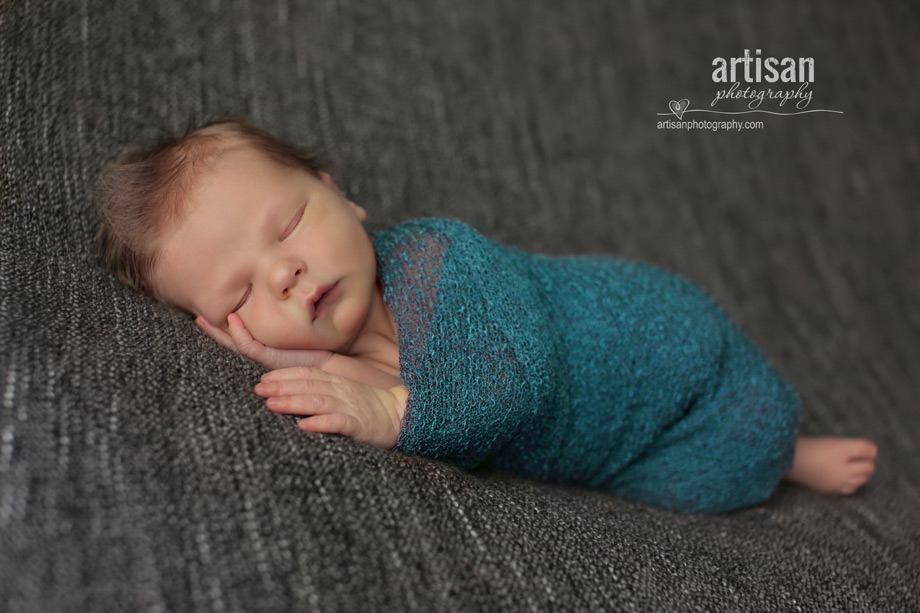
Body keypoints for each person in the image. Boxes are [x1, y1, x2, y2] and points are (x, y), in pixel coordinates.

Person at [94, 116, 878, 514]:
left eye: (289, 223)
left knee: (744, 447)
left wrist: (393, 409)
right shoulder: (332, 350)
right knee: (655, 489)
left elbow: (515, 379)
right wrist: (313, 365)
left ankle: (788, 455)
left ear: (340, 194)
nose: (284, 271)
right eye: (240, 296)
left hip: (670, 357)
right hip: (615, 448)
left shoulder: (438, 257)